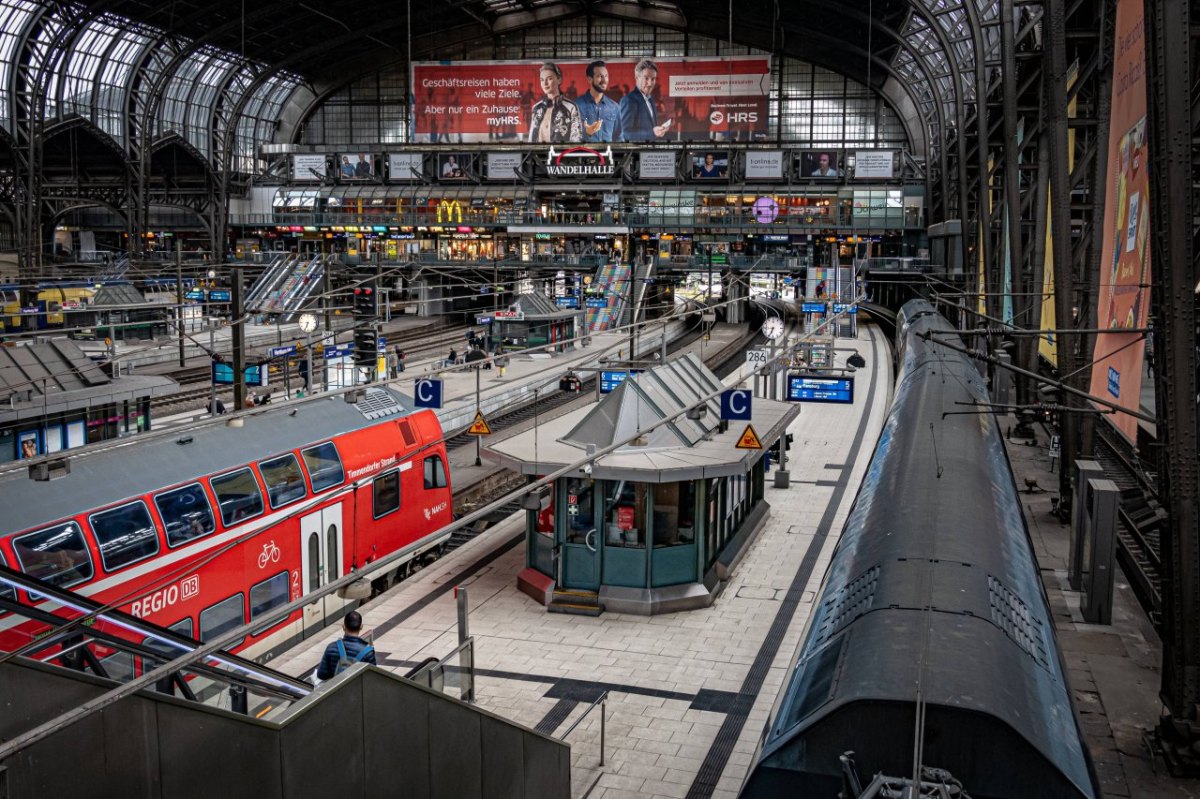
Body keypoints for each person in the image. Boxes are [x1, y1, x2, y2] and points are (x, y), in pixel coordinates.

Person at [528, 62, 583, 143]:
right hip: (538, 155)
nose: (545, 83)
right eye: (542, 80)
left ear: (559, 80)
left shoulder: (571, 107)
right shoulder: (536, 108)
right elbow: (531, 139)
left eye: (549, 78)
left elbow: (576, 139)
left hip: (561, 155)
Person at [315, 610, 376, 682]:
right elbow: (373, 678)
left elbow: (321, 675)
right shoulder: (368, 652)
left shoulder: (331, 648)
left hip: (336, 692)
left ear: (343, 627)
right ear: (361, 627)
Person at [619, 59, 672, 142]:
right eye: (646, 78)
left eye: (653, 79)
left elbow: (651, 130)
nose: (650, 83)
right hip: (636, 154)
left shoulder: (650, 100)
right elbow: (624, 133)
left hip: (648, 152)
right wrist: (652, 133)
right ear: (637, 78)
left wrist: (658, 132)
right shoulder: (629, 100)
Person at [575, 60, 622, 142]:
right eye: (600, 76)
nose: (604, 80)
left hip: (608, 154)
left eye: (606, 76)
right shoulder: (576, 106)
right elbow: (571, 138)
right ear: (590, 79)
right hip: (585, 154)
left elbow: (619, 137)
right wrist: (587, 133)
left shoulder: (615, 107)